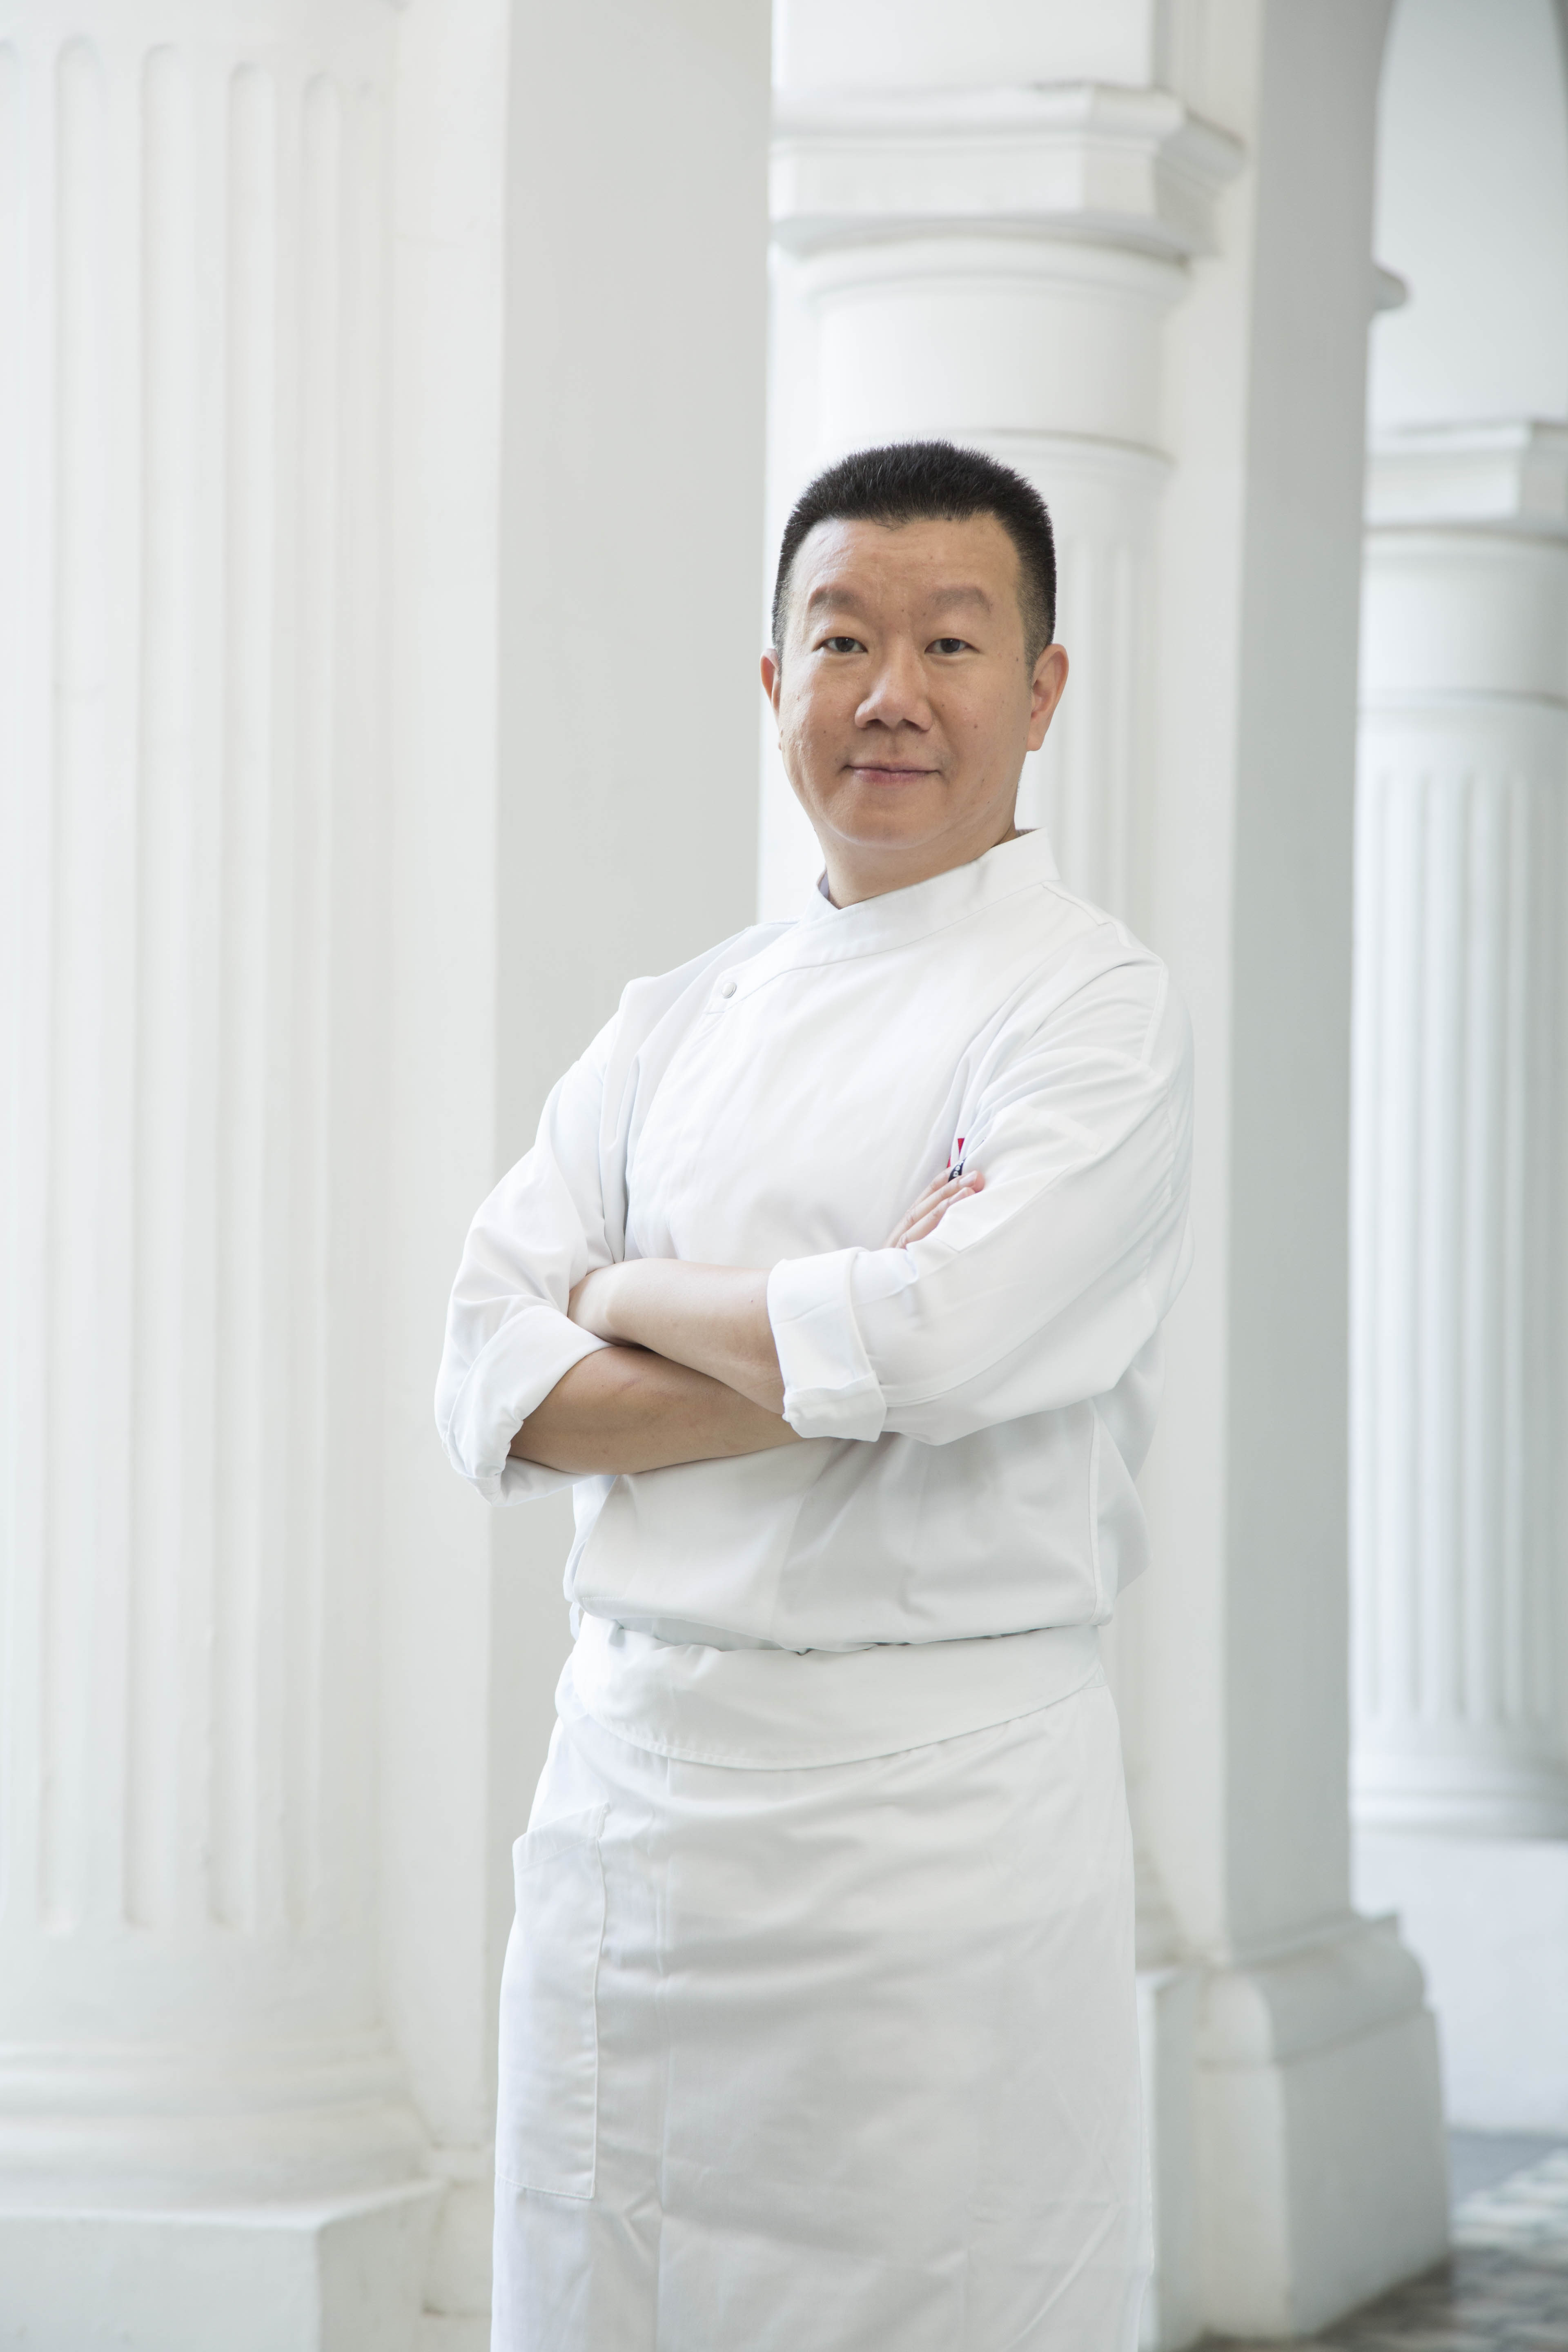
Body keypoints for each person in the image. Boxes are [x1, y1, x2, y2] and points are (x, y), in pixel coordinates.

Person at [436, 439, 1193, 2351]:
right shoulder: (670, 1019)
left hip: (935, 1836)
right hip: (633, 1807)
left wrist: (621, 1292)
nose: (892, 694)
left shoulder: (1089, 1008)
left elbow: (937, 1343)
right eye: (843, 640)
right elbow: (491, 1378)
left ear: (1043, 687)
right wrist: (847, 1340)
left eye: (953, 642)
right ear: (777, 681)